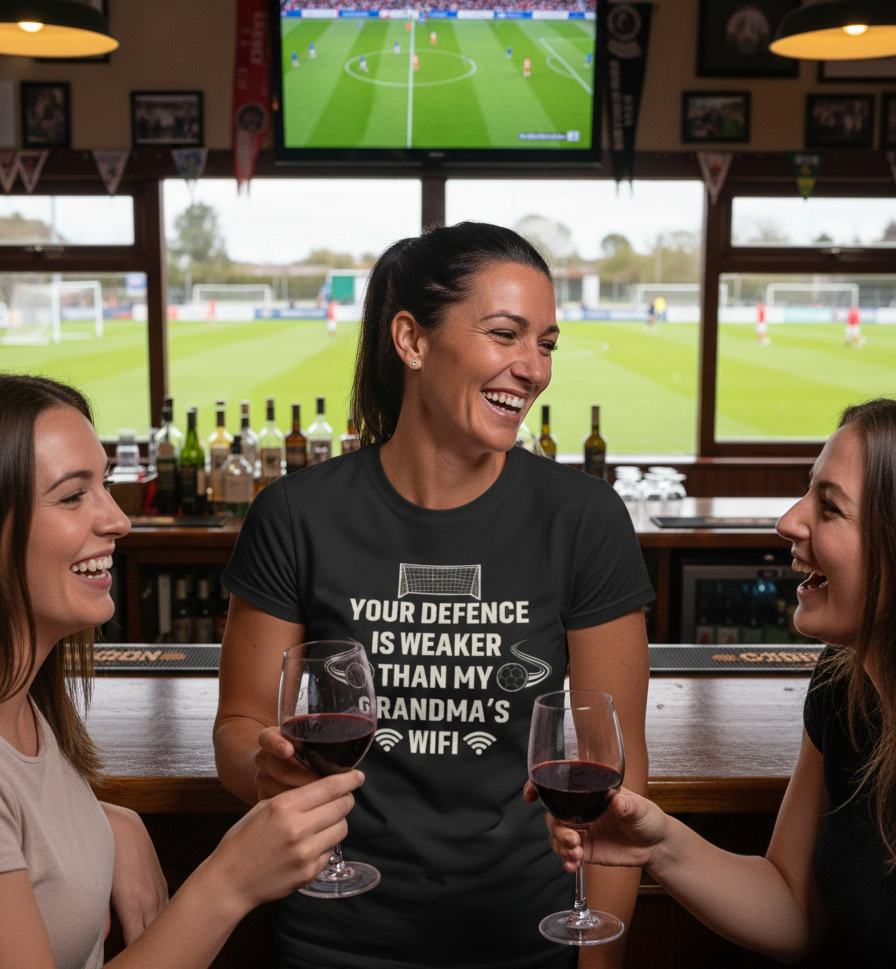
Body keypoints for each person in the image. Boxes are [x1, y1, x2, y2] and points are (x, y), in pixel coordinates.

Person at [214, 222, 654, 969]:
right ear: (412, 341)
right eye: (506, 335)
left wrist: (597, 964)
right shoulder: (295, 514)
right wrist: (264, 767)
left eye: (546, 344)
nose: (533, 368)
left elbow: (621, 770)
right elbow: (239, 727)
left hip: (526, 936)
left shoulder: (585, 519)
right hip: (333, 938)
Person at [0, 375, 363, 969]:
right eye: (72, 497)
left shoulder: (29, 708)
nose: (118, 521)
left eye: (106, 486)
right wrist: (230, 880)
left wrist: (107, 818)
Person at [545, 398, 896, 965]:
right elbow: (792, 909)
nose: (788, 521)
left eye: (828, 507)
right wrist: (660, 844)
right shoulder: (841, 687)